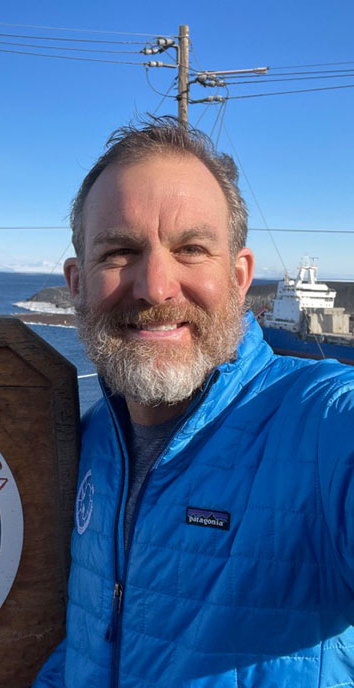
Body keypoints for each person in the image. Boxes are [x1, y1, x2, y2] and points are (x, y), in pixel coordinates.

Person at [33, 117, 354, 687]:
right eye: (120, 251)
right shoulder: (88, 444)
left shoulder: (317, 423)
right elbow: (90, 636)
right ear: (76, 284)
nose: (156, 287)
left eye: (191, 249)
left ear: (238, 277)